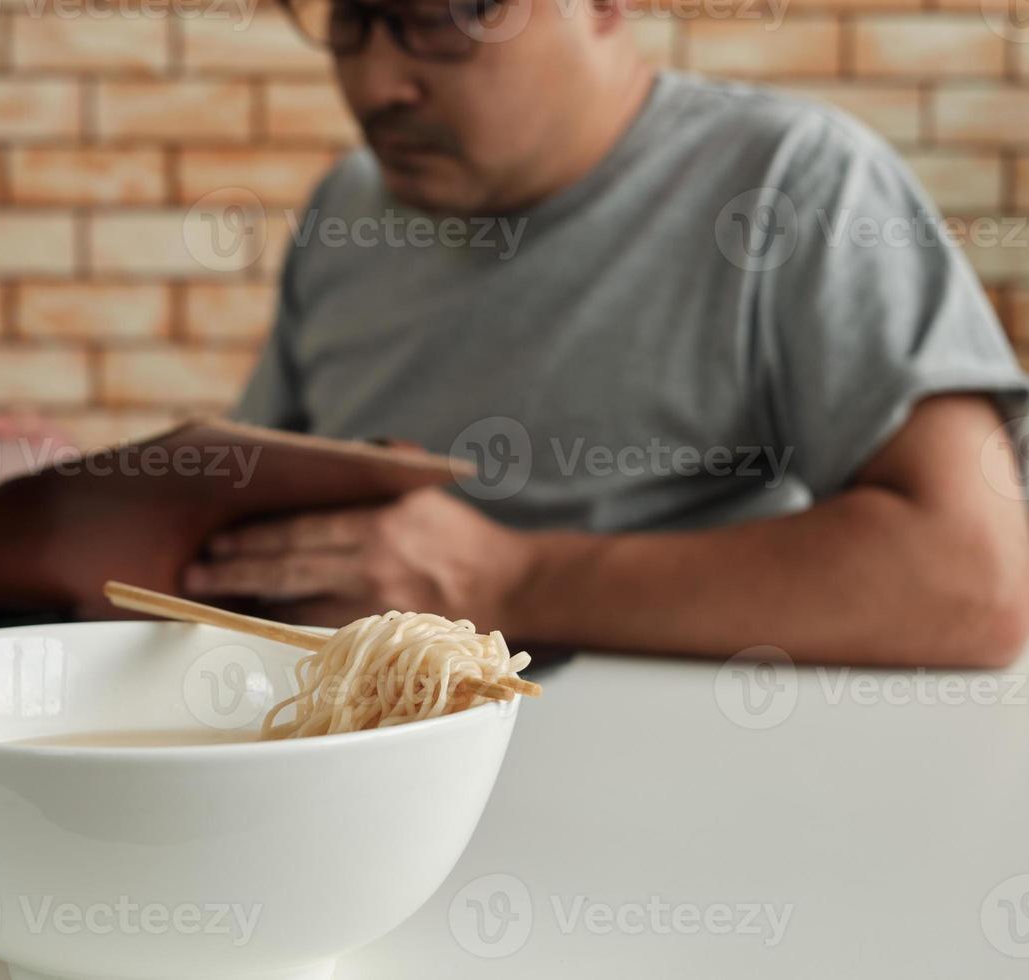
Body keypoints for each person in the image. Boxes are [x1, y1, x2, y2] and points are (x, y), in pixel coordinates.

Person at [178, 0, 1029, 668]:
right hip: (366, 788)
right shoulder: (347, 210)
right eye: (348, 21)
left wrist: (507, 581)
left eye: (439, 19)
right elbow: (241, 519)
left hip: (682, 807)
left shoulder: (791, 185)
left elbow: (972, 577)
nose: (375, 85)